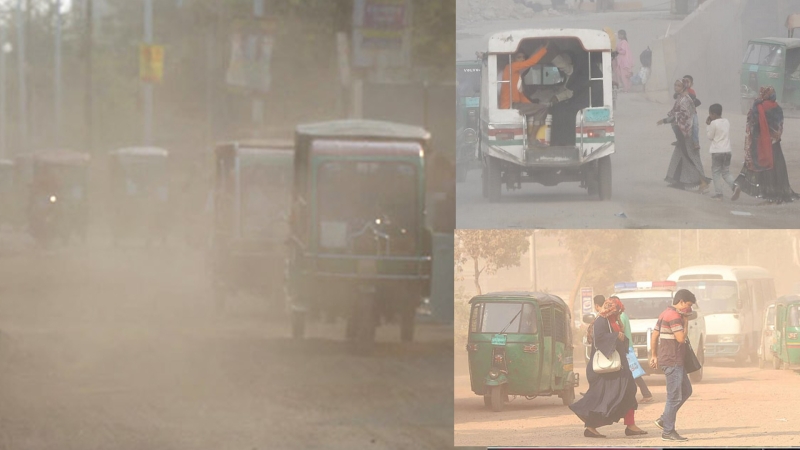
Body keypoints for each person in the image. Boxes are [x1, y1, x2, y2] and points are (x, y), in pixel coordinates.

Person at [569, 296, 644, 438]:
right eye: (617, 311)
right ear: (610, 309)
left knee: (629, 391)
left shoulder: (612, 321)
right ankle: (590, 425)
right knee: (604, 398)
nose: (619, 314)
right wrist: (617, 336)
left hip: (619, 367)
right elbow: (600, 339)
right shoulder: (601, 321)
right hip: (608, 370)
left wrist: (619, 332)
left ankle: (630, 425)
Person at [732, 86, 800, 204]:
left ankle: (741, 185)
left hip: (758, 143)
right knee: (775, 169)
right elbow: (779, 126)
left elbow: (750, 124)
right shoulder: (777, 108)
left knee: (752, 165)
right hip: (773, 144)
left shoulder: (757, 107)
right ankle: (773, 195)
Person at [649, 289, 697, 442]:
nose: (688, 308)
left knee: (686, 390)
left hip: (668, 359)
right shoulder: (676, 317)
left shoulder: (664, 314)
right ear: (681, 302)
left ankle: (665, 419)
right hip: (673, 361)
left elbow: (654, 335)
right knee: (674, 397)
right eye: (688, 305)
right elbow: (681, 338)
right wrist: (686, 320)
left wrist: (654, 355)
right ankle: (668, 431)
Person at [658, 79, 710, 192]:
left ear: (684, 87)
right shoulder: (680, 98)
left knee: (690, 157)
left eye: (678, 85)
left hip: (686, 133)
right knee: (679, 156)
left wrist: (666, 120)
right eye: (675, 85)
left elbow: (684, 116)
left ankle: (703, 181)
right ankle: (679, 181)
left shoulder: (685, 100)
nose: (676, 87)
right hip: (680, 134)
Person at [614, 295, 654, 403]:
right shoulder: (623, 315)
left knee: (634, 372)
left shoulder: (620, 316)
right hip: (627, 347)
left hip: (625, 348)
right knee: (631, 372)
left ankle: (646, 393)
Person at [549, 53, 591, 146]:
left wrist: (557, 97)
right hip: (573, 102)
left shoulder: (579, 75)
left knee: (560, 111)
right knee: (558, 110)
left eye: (562, 67)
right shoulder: (572, 73)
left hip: (580, 102)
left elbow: (571, 91)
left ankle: (562, 143)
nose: (561, 69)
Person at [499, 43, 550, 110]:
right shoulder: (512, 66)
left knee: (540, 108)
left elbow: (521, 95)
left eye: (523, 57)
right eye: (519, 57)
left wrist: (532, 105)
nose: (522, 59)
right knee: (542, 109)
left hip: (514, 104)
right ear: (512, 59)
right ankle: (538, 121)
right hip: (509, 105)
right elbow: (532, 62)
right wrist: (544, 49)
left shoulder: (516, 74)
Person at [705, 103, 736, 200]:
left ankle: (719, 194)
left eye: (710, 114)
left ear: (713, 114)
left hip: (717, 151)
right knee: (726, 172)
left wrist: (708, 125)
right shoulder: (726, 121)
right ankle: (735, 187)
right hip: (727, 151)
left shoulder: (713, 123)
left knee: (716, 172)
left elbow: (710, 137)